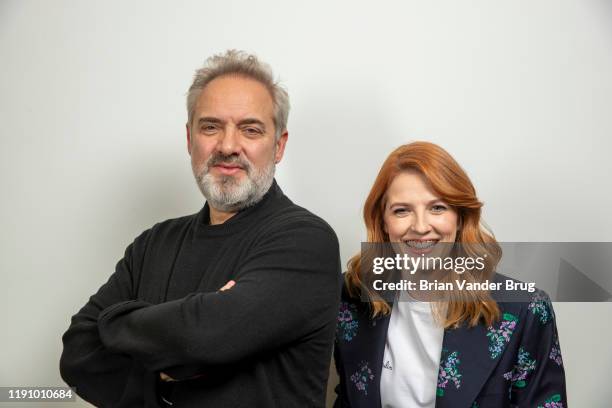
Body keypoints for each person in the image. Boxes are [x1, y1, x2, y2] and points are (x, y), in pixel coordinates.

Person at [59, 50, 341, 408]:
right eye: (210, 126)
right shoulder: (153, 244)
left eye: (250, 129)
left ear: (279, 146)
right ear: (190, 138)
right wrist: (171, 365)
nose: (227, 146)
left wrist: (113, 322)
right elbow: (78, 352)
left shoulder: (305, 241)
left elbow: (207, 335)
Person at [333, 142, 567, 407]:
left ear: (460, 217)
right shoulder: (350, 296)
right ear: (383, 222)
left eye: (437, 208)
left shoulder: (526, 309)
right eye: (402, 210)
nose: (420, 227)